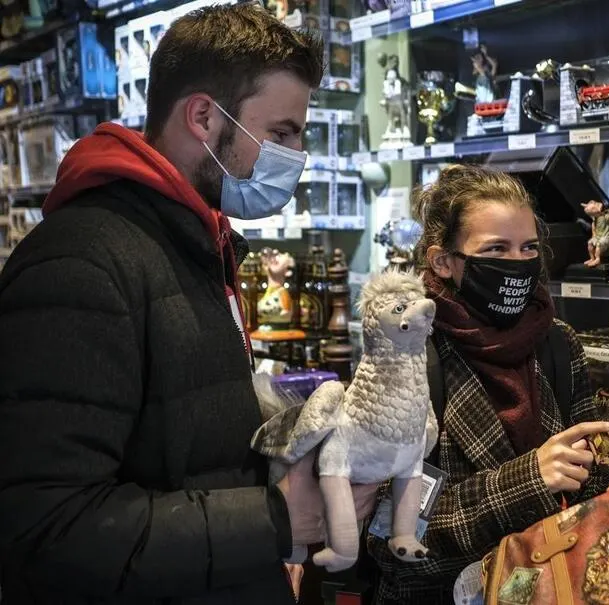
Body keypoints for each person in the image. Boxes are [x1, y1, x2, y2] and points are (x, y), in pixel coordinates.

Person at [0, 5, 372, 604]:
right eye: (281, 134)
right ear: (203, 116)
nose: (298, 157)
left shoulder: (195, 243)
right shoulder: (80, 266)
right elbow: (48, 528)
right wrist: (275, 520)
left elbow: (185, 449)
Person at [366, 165, 609, 603]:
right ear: (443, 262)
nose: (518, 264)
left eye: (528, 247)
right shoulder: (406, 357)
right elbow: (389, 539)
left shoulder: (556, 343)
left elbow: (591, 487)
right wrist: (528, 479)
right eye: (496, 248)